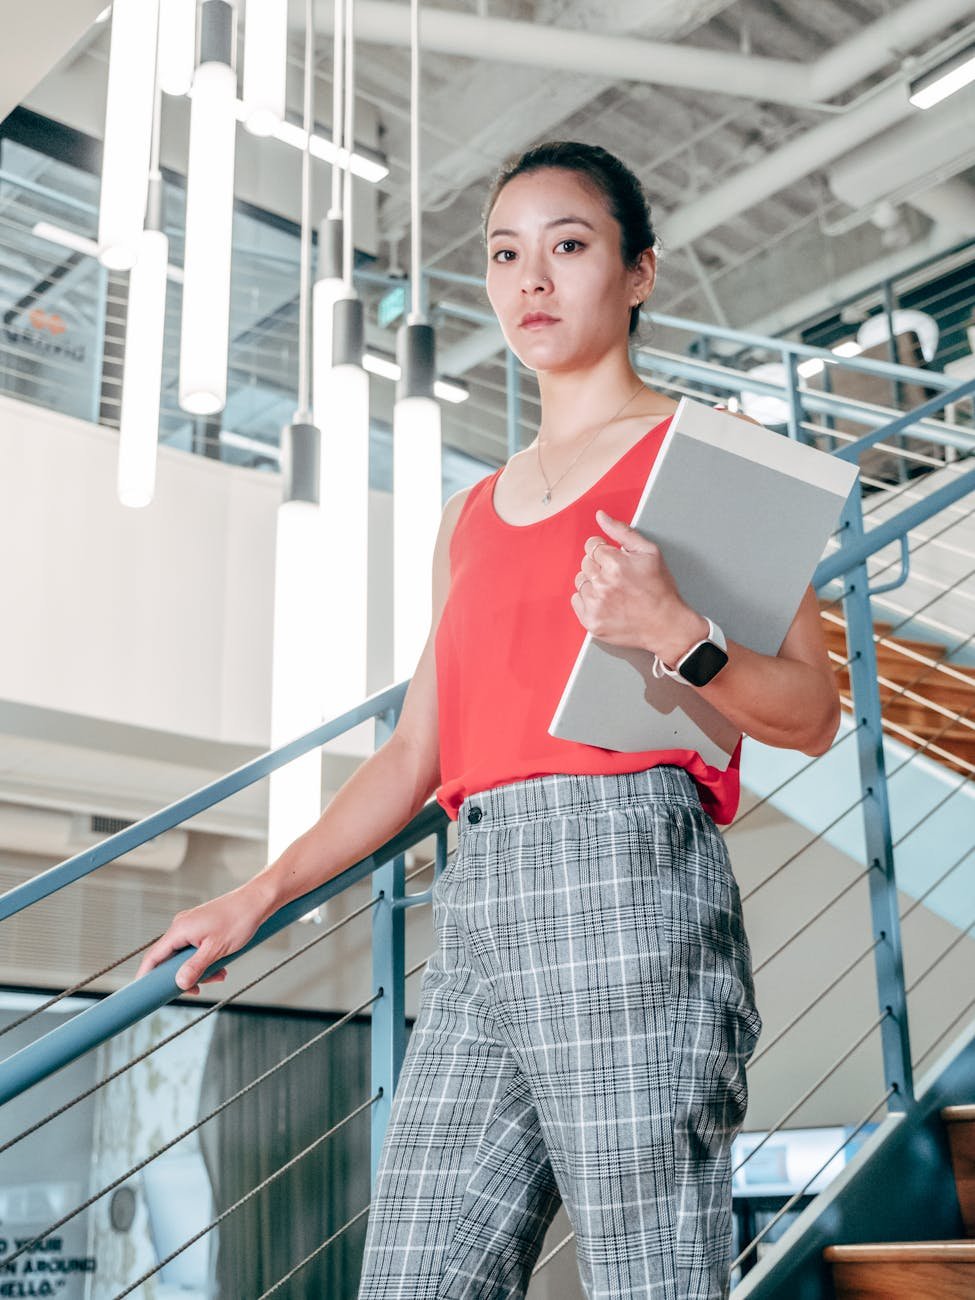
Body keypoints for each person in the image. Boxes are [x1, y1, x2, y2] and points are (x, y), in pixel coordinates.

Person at [138, 141, 840, 1298]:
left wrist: (679, 630)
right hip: (477, 899)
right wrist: (253, 896)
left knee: (650, 1275)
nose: (533, 280)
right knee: (414, 1277)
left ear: (639, 272)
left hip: (629, 880)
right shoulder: (470, 513)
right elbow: (416, 751)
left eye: (569, 245)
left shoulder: (713, 461)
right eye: (506, 255)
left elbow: (812, 713)